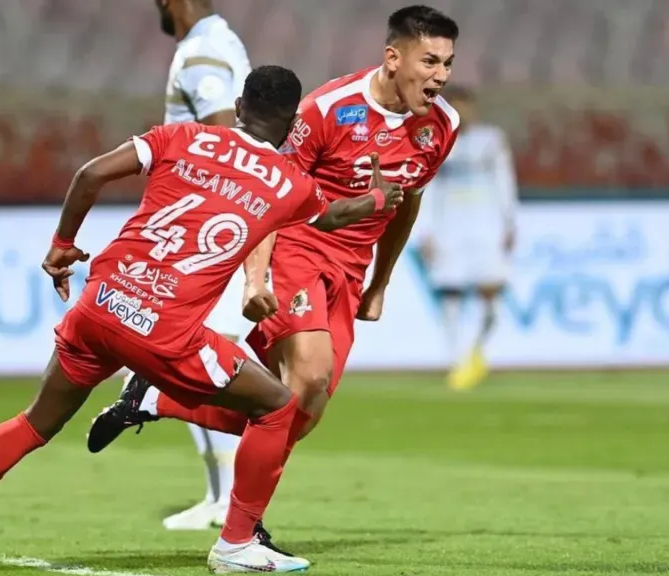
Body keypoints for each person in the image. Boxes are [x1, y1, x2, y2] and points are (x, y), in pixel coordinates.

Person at [0, 65, 404, 576]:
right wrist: (380, 199)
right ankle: (237, 544)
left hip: (101, 303)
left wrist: (63, 246)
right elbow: (333, 215)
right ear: (293, 126)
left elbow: (89, 174)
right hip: (163, 329)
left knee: (34, 422)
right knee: (277, 406)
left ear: (240, 106)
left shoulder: (179, 136)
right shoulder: (290, 183)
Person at [86, 4, 461, 549]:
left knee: (300, 415)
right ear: (393, 56)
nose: (440, 76)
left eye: (448, 64)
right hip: (298, 247)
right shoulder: (327, 109)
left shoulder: (442, 126)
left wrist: (380, 282)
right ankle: (241, 537)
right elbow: (270, 189)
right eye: (430, 61)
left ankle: (157, 403)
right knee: (306, 377)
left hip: (350, 271)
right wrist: (254, 278)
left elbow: (406, 206)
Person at [143, 0, 255, 532]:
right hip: (212, 228)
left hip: (202, 233)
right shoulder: (220, 41)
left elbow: (222, 137)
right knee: (186, 362)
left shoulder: (203, 51)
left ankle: (228, 499)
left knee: (185, 361)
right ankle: (219, 496)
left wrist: (199, 225)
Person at [416, 86, 519, 390]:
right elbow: (426, 188)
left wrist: (510, 222)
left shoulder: (492, 140)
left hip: (486, 226)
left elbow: (505, 180)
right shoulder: (433, 140)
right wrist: (425, 231)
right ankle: (455, 360)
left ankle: (477, 352)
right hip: (449, 229)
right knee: (451, 294)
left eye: (466, 107)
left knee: (490, 294)